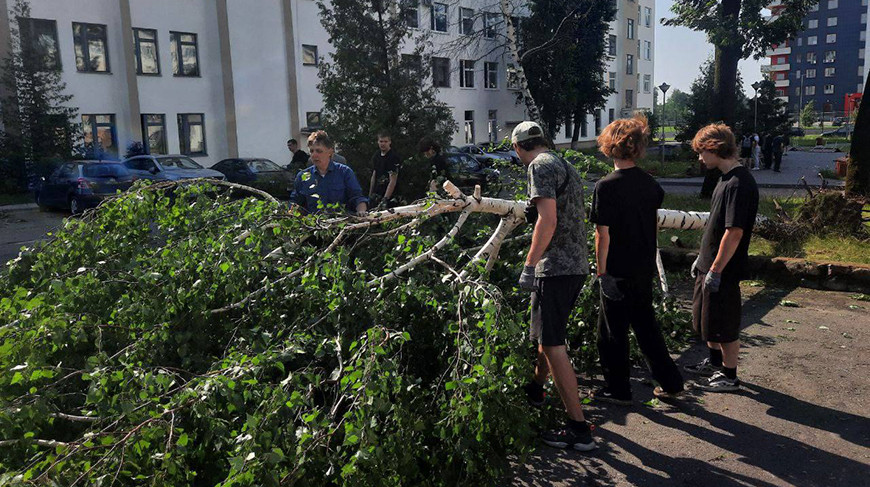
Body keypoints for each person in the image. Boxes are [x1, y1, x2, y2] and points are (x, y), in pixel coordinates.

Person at [590, 115, 685, 405]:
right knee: (646, 328)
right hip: (643, 267)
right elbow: (651, 224)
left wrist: (601, 273)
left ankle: (618, 390)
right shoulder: (650, 184)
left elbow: (602, 235)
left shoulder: (606, 187)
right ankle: (671, 382)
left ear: (609, 146)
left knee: (611, 334)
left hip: (616, 269)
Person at [514, 121, 595, 452]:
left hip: (556, 267)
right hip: (575, 264)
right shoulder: (564, 164)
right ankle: (536, 389)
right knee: (548, 337)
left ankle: (578, 429)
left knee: (552, 344)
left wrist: (529, 265)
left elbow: (548, 221)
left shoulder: (538, 166)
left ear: (518, 147)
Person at [686, 123, 759, 392]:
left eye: (701, 151)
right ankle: (715, 363)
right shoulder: (724, 179)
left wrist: (716, 270)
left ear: (714, 148)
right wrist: (702, 259)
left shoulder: (739, 184)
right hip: (709, 264)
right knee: (707, 320)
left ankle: (729, 375)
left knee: (725, 323)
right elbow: (715, 226)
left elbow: (734, 232)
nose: (699, 157)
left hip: (724, 268)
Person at [291, 130, 368, 215]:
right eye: (311, 151)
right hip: (314, 222)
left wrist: (361, 211)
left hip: (342, 221)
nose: (314, 155)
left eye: (319, 151)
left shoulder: (345, 172)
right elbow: (295, 204)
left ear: (330, 152)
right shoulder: (303, 177)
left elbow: (357, 197)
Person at [369, 132, 401, 206]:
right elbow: (374, 175)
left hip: (391, 196)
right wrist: (370, 194)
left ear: (389, 142)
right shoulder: (376, 156)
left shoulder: (393, 157)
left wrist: (385, 199)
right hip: (377, 194)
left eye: (385, 141)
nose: (383, 144)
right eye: (381, 141)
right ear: (378, 142)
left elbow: (393, 180)